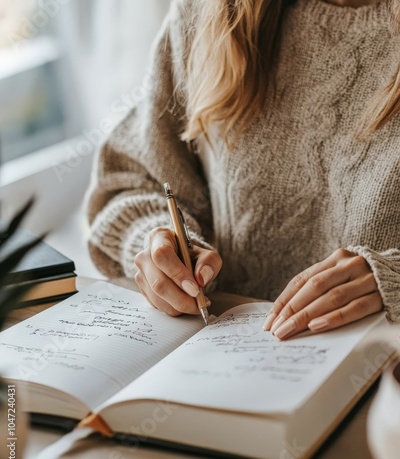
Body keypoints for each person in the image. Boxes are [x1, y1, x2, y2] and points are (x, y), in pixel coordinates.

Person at [87, 0, 400, 341]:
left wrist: (393, 275)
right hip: (216, 358)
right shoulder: (206, 12)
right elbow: (129, 182)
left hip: (378, 378)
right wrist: (162, 251)